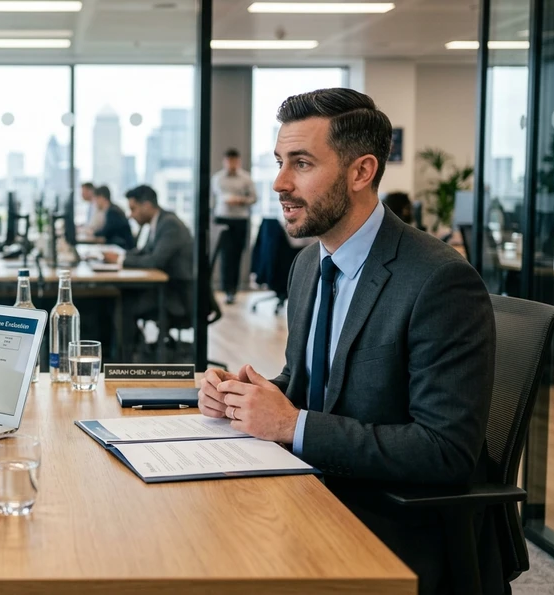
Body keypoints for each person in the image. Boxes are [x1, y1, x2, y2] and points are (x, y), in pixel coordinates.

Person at [198, 88, 496, 595]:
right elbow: (308, 380)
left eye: (302, 163)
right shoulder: (309, 263)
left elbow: (445, 450)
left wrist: (291, 424)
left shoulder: (439, 281)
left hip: (390, 518)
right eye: (278, 162)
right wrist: (246, 396)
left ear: (361, 172)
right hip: (314, 486)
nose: (279, 183)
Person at [108, 185, 194, 358]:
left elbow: (155, 260)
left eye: (133, 209)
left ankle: (124, 358)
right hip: (166, 289)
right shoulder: (158, 222)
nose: (130, 215)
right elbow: (145, 252)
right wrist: (119, 256)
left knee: (122, 302)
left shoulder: (170, 224)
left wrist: (120, 260)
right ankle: (128, 352)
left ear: (146, 205)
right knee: (119, 295)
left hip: (178, 296)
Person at [211, 148, 258, 304]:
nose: (231, 164)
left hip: (239, 219)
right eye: (229, 161)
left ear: (238, 161)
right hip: (223, 219)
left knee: (236, 256)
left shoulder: (246, 178)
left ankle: (233, 290)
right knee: (225, 256)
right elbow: (215, 198)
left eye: (234, 161)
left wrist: (241, 200)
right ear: (225, 161)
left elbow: (254, 198)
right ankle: (225, 289)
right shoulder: (217, 178)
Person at [91, 185, 134, 250]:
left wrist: (92, 232)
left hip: (123, 247)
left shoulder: (112, 212)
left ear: (102, 198)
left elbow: (105, 232)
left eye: (96, 199)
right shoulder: (112, 208)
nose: (95, 202)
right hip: (119, 245)